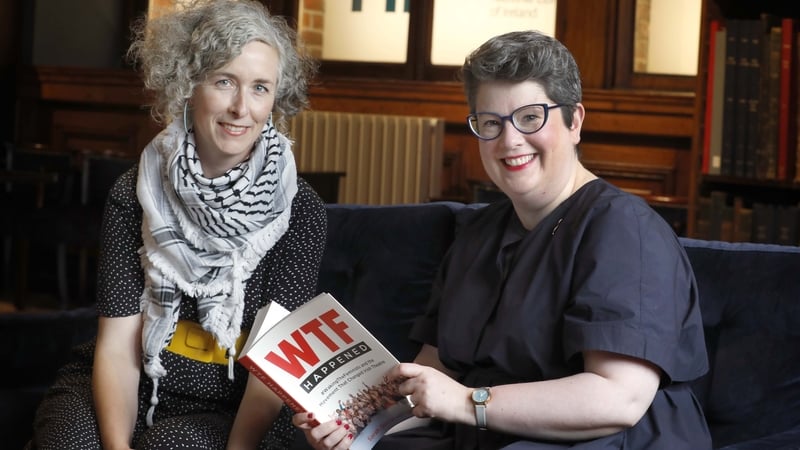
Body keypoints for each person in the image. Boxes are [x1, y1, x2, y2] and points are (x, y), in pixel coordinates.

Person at [294, 30, 711, 449]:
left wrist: (467, 402)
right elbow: (433, 378)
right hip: (483, 433)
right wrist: (355, 426)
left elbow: (618, 399)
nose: (510, 140)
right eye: (491, 123)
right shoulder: (479, 235)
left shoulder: (623, 229)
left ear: (575, 122)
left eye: (530, 117)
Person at [27, 1, 325, 448]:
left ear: (275, 99)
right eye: (224, 81)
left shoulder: (300, 209)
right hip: (131, 378)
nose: (241, 107)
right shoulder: (135, 191)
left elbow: (274, 365)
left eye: (260, 88)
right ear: (186, 85)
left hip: (232, 406)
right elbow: (117, 344)